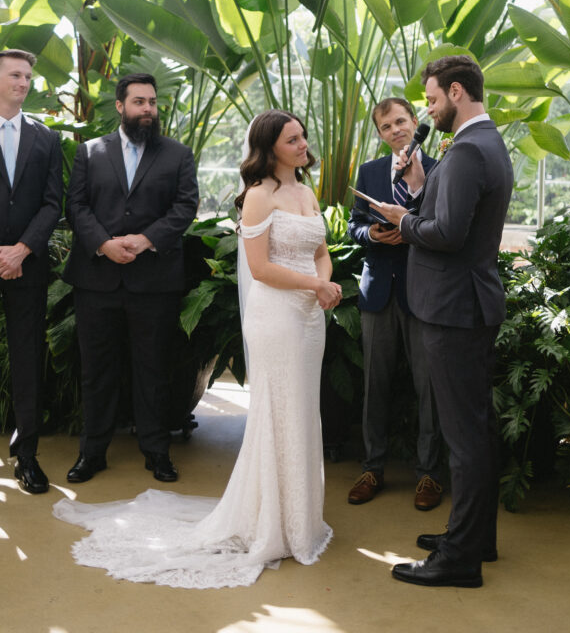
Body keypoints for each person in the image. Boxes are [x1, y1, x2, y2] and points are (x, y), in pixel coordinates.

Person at [53, 109, 341, 589]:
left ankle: (301, 517)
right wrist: (314, 286)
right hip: (278, 316)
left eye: (303, 136)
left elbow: (320, 251)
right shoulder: (258, 197)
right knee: (279, 411)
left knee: (302, 410)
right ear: (271, 149)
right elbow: (261, 268)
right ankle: (271, 521)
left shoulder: (307, 192)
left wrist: (324, 286)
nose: (303, 144)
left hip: (311, 317)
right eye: (293, 139)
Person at [375, 55, 513, 589]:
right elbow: (454, 219)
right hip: (466, 306)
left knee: (464, 436)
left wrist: (404, 221)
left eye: (431, 99)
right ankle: (475, 535)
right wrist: (414, 200)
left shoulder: (467, 152)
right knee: (474, 428)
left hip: (454, 309)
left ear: (456, 92)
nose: (427, 109)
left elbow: (448, 234)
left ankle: (460, 558)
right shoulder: (485, 144)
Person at [62, 72, 199, 484]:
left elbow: (185, 206)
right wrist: (104, 244)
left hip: (155, 282)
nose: (148, 110)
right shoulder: (90, 151)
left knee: (153, 369)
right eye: (139, 102)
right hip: (97, 279)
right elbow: (76, 206)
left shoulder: (178, 154)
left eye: (153, 102)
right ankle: (93, 453)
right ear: (120, 106)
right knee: (96, 370)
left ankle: (157, 452)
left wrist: (144, 240)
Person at [347, 97, 441, 510]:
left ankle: (429, 476)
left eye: (401, 121)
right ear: (381, 133)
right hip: (378, 290)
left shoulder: (439, 170)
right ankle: (372, 468)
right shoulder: (368, 172)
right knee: (375, 386)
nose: (395, 130)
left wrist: (412, 229)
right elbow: (354, 225)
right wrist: (373, 235)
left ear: (415, 122)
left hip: (424, 294)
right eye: (386, 126)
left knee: (429, 388)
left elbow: (445, 227)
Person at [0, 49, 62, 494]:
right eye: (14, 75)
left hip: (28, 264)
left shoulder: (46, 138)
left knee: (26, 361)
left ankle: (28, 456)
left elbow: (51, 203)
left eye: (27, 76)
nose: (23, 83)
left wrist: (21, 250)